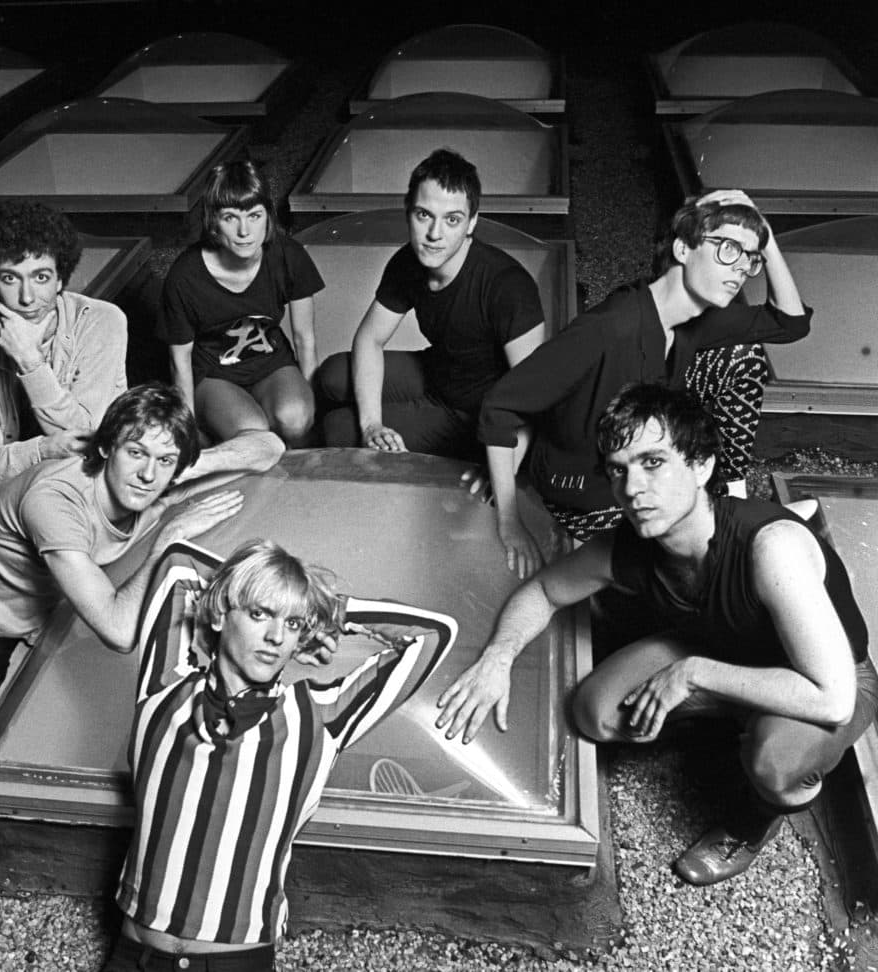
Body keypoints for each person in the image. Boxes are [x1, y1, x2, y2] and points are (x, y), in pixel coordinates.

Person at [436, 384, 876, 886]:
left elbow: (834, 698)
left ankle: (752, 822)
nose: (632, 488)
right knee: (595, 713)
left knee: (776, 762)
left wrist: (691, 675)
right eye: (620, 470)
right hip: (719, 643)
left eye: (654, 463)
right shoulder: (631, 544)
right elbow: (543, 591)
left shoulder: (771, 548)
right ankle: (733, 724)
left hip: (825, 678)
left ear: (702, 466)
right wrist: (498, 657)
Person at [0, 383, 284, 786]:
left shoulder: (156, 476)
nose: (147, 474)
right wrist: (169, 537)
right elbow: (118, 631)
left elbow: (270, 447)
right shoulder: (55, 500)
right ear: (106, 448)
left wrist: (195, 462)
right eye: (136, 452)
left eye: (164, 460)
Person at [104, 539, 457, 971]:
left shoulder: (318, 718)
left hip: (237, 964)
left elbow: (433, 634)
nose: (275, 637)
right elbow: (179, 561)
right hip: (133, 956)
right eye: (259, 614)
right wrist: (262, 584)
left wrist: (327, 609)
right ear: (218, 613)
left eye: (292, 624)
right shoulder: (164, 688)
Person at [475, 190, 810, 578]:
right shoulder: (608, 327)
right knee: (689, 566)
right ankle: (731, 530)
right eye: (729, 249)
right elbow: (499, 407)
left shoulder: (694, 317)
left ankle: (732, 503)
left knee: (743, 356)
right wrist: (509, 521)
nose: (741, 268)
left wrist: (764, 233)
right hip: (587, 489)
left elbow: (791, 322)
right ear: (684, 249)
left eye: (750, 258)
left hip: (643, 455)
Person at [317, 148, 545, 461]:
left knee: (337, 430)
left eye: (452, 220)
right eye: (424, 215)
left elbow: (534, 395)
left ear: (472, 223)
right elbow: (370, 338)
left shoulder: (508, 286)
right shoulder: (407, 261)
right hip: (435, 372)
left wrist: (503, 474)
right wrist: (372, 424)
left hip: (472, 414)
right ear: (408, 211)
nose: (434, 234)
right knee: (332, 374)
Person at [0, 200, 128, 486]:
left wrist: (31, 362)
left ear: (60, 279)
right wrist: (41, 451)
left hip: (99, 478)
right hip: (19, 489)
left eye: (41, 277)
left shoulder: (101, 321)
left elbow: (86, 440)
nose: (27, 297)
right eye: (10, 278)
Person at [159, 160, 324, 448]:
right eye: (230, 217)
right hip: (213, 375)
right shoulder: (184, 276)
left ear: (268, 217)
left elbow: (304, 339)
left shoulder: (288, 255)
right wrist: (188, 430)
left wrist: (312, 405)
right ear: (213, 221)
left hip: (271, 364)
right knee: (254, 434)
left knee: (296, 419)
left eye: (254, 215)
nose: (245, 231)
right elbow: (179, 362)